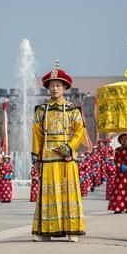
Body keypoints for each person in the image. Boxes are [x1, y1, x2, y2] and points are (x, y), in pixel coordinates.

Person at [31, 62, 86, 242]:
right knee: (47, 194)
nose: (55, 88)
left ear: (64, 88)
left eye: (58, 85)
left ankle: (71, 230)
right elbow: (36, 134)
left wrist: (70, 147)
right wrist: (35, 155)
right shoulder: (41, 110)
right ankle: (45, 230)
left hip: (66, 157)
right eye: (52, 85)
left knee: (67, 192)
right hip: (47, 156)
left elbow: (80, 131)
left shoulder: (72, 110)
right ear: (48, 88)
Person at [109, 133, 127, 214]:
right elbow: (116, 160)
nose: (124, 140)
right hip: (121, 172)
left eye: (126, 139)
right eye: (122, 139)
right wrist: (122, 167)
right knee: (119, 190)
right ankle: (118, 208)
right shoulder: (118, 150)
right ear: (120, 141)